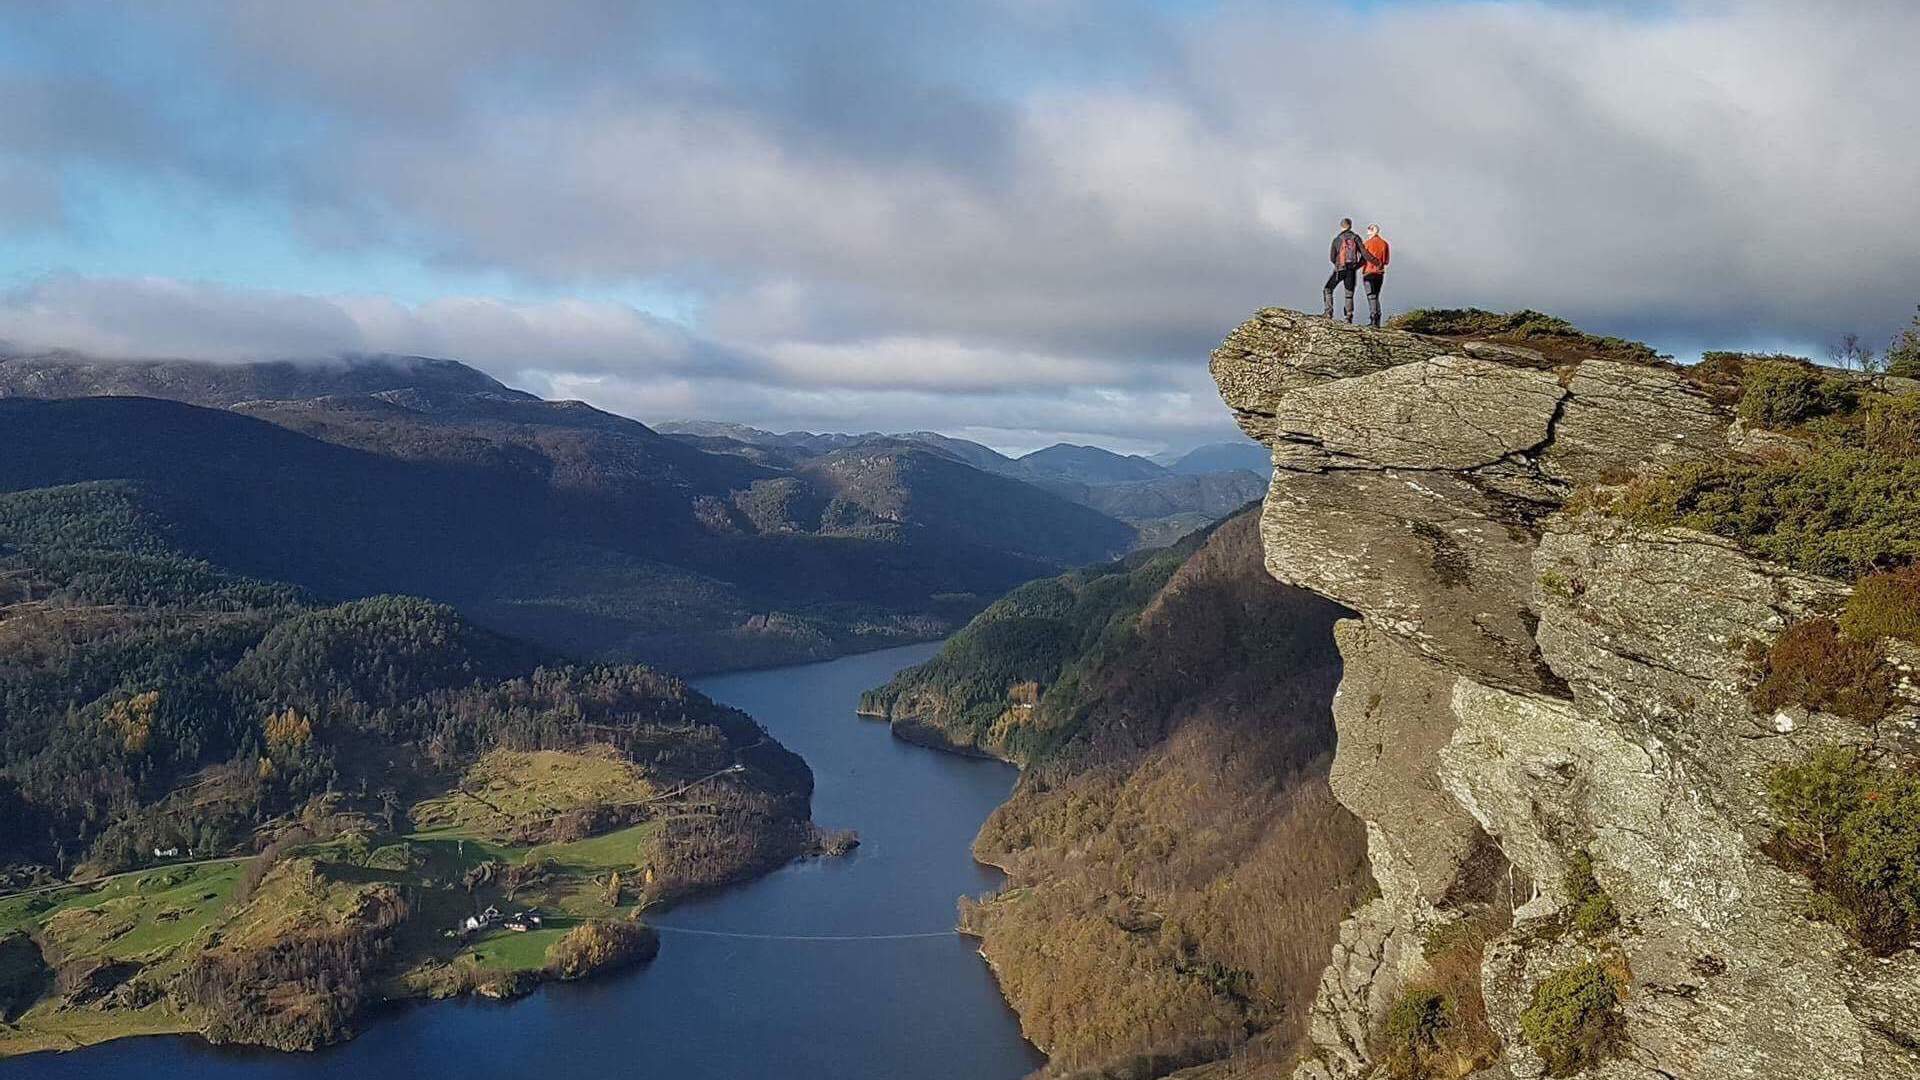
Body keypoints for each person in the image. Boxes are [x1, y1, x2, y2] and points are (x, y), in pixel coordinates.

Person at [1323, 218, 1368, 323]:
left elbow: (1332, 257)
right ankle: (1348, 316)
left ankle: (1328, 312)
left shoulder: (1337, 239)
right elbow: (1364, 255)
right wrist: (1356, 266)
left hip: (1340, 269)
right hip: (1351, 270)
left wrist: (1338, 264)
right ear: (1351, 226)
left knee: (1328, 289)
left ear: (1341, 226)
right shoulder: (1356, 238)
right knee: (1349, 294)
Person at [1361, 223, 1391, 327]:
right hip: (1380, 273)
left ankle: (1373, 319)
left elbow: (1362, 258)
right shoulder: (1385, 244)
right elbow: (1386, 261)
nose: (1367, 231)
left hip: (1368, 272)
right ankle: (1377, 320)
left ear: (1373, 230)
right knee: (1376, 296)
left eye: (1369, 229)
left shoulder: (1367, 244)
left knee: (1371, 296)